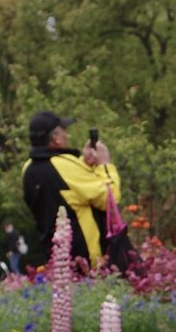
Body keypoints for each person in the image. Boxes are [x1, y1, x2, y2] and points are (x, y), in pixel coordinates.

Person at [22, 112, 121, 265]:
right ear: (55, 138)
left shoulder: (28, 168)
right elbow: (109, 198)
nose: (67, 136)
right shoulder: (63, 166)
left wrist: (84, 163)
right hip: (86, 261)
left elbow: (66, 188)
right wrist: (104, 165)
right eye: (64, 131)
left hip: (56, 259)